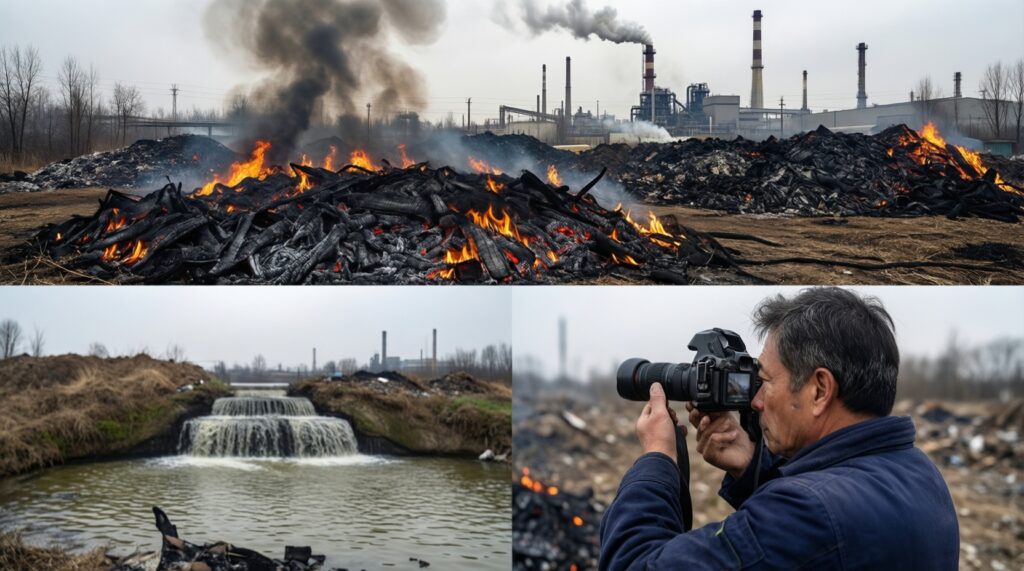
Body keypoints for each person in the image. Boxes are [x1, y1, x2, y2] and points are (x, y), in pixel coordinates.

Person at [599, 287, 959, 570]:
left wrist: (658, 457)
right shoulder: (918, 471)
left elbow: (633, 565)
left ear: (819, 390)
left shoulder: (808, 512)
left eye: (766, 381)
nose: (755, 402)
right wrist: (752, 468)